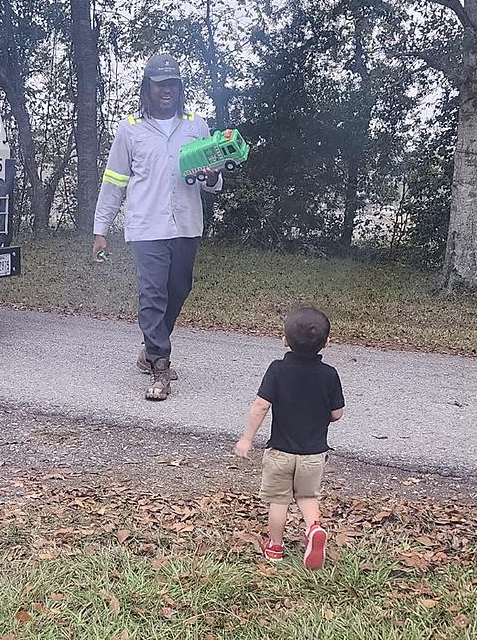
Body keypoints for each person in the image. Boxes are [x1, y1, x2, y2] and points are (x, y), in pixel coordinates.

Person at [93, 54, 222, 402]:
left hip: (186, 224)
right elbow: (114, 181)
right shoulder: (130, 129)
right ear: (147, 88)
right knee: (153, 295)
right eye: (160, 84)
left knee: (178, 289)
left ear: (180, 88)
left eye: (173, 84)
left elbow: (211, 181)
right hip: (146, 226)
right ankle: (160, 366)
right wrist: (101, 228)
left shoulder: (197, 125)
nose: (167, 90)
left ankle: (149, 348)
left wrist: (213, 175)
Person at [234, 306, 345, 569]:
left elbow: (261, 405)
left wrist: (247, 438)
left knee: (279, 501)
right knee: (307, 497)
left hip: (280, 452)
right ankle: (313, 529)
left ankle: (275, 546)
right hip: (314, 454)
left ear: (284, 340)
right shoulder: (329, 375)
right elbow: (337, 413)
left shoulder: (277, 369)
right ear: (327, 343)